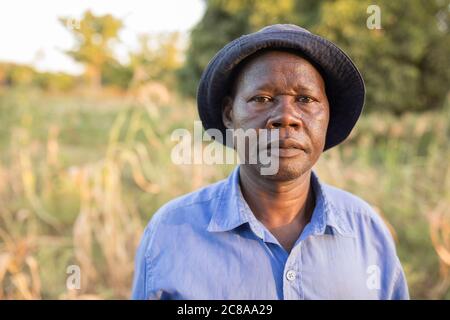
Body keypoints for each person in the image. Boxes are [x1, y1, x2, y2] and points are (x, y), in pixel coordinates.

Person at [131, 24, 409, 300]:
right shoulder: (170, 231)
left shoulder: (366, 230)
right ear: (229, 115)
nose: (286, 117)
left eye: (305, 99)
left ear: (328, 115)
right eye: (262, 98)